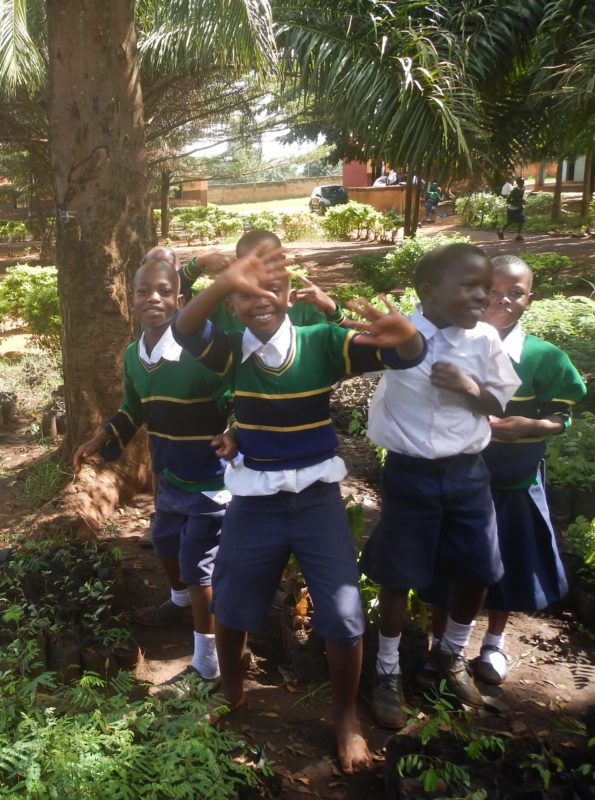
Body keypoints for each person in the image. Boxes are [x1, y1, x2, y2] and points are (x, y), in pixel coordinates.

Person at [172, 241, 427, 773]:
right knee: (234, 604)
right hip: (254, 502)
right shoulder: (231, 351)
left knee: (343, 613)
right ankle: (233, 692)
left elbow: (400, 353)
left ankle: (345, 719)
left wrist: (409, 339)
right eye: (247, 290)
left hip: (317, 502)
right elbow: (184, 329)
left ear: (291, 292)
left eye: (273, 284)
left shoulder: (323, 342)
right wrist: (221, 280)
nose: (261, 297)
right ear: (233, 306)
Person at [359, 243, 521, 729]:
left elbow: (499, 400)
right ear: (427, 292)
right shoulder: (398, 335)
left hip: (468, 473)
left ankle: (449, 657)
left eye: (485, 288)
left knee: (476, 566)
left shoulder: (486, 342)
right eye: (470, 287)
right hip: (411, 474)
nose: (482, 297)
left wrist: (471, 390)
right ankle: (386, 668)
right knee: (399, 570)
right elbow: (362, 353)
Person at [73, 258, 234, 689]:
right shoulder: (133, 356)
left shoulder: (202, 351)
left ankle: (208, 663)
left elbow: (237, 392)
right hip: (169, 477)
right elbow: (134, 408)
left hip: (210, 479)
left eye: (164, 291)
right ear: (131, 301)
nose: (154, 299)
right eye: (143, 292)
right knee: (164, 541)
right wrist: (101, 438)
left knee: (199, 566)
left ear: (180, 300)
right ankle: (178, 601)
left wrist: (236, 432)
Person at [465, 256, 586, 683]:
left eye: (515, 292)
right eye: (493, 291)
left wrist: (530, 425)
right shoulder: (457, 346)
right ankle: (447, 642)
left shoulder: (543, 357)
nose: (503, 300)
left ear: (529, 300)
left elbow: (562, 416)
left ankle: (494, 643)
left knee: (508, 562)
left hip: (515, 477)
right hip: (461, 476)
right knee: (455, 560)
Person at [180, 229, 350, 329]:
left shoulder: (302, 307)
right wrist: (199, 262)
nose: (261, 270)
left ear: (283, 260)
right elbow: (172, 296)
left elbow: (343, 349)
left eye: (269, 261)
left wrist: (331, 308)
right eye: (252, 263)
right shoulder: (222, 304)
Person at [497, 177, 525, 241]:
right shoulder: (515, 190)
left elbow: (521, 197)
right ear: (518, 183)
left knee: (521, 221)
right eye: (521, 182)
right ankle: (500, 231)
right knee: (510, 222)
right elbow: (508, 200)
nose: (523, 183)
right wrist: (517, 205)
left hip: (519, 208)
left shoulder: (523, 189)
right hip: (512, 209)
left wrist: (523, 202)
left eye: (523, 182)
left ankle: (519, 235)